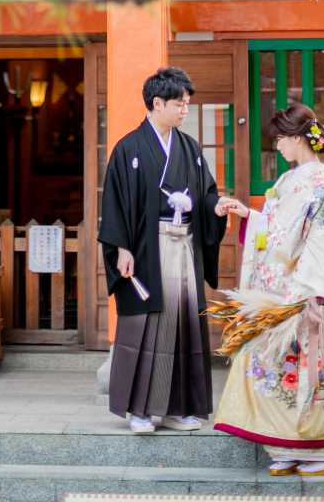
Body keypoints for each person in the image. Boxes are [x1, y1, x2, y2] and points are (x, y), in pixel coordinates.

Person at [213, 103, 324, 477]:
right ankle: (289, 444)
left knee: (304, 370)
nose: (277, 147)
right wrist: (247, 215)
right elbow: (275, 229)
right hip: (277, 290)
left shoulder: (318, 182)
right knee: (272, 371)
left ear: (296, 138)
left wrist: (309, 290)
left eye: (280, 140)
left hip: (299, 292)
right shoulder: (291, 180)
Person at [98, 65, 231, 433]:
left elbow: (205, 195)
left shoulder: (189, 147)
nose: (185, 110)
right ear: (157, 103)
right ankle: (140, 410)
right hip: (145, 250)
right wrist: (121, 247)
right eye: (180, 104)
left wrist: (214, 208)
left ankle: (176, 409)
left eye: (187, 103)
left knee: (183, 324)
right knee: (147, 326)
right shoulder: (128, 148)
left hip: (184, 246)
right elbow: (114, 204)